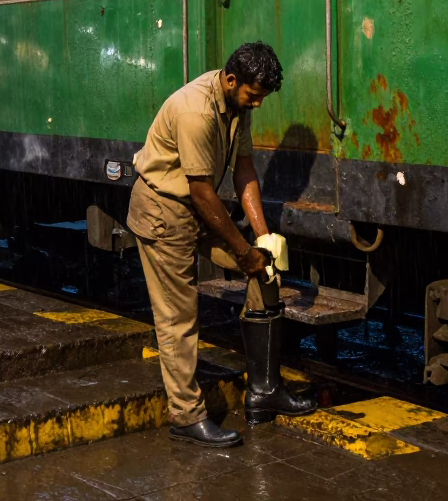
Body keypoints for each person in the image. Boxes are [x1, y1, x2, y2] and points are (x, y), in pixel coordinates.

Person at [127, 41, 317, 448]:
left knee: (266, 274)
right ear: (232, 81)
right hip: (164, 210)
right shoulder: (195, 111)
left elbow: (244, 169)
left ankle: (264, 392)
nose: (259, 104)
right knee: (179, 316)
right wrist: (242, 252)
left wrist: (262, 243)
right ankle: (186, 416)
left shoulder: (237, 105)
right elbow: (200, 192)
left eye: (263, 97)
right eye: (254, 95)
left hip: (200, 207)